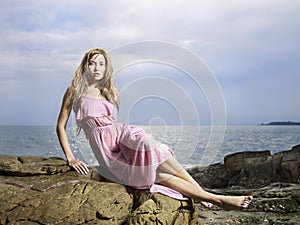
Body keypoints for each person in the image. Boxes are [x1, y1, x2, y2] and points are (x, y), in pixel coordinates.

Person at [56, 47, 253, 210]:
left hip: (123, 136)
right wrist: (70, 157)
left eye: (101, 63)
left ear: (106, 67)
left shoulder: (108, 90)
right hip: (108, 152)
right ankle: (214, 198)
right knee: (156, 173)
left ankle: (202, 193)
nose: (96, 68)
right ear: (85, 66)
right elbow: (61, 126)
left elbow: (112, 124)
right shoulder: (75, 92)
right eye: (92, 63)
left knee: (152, 147)